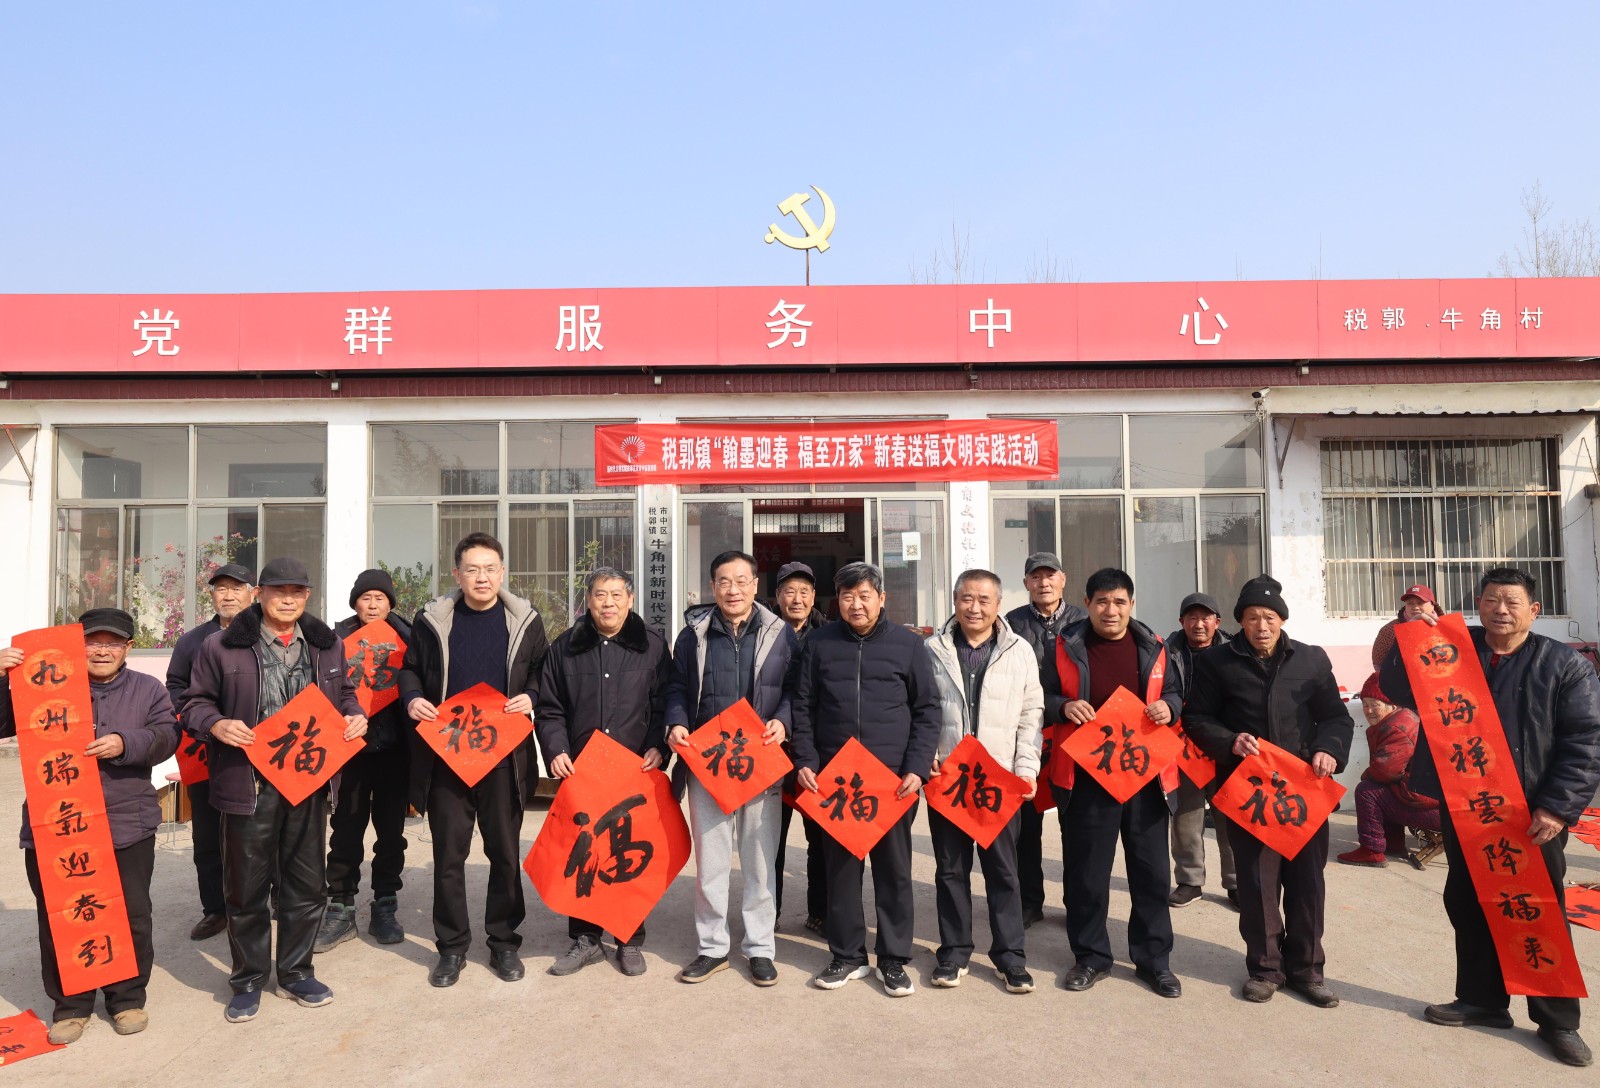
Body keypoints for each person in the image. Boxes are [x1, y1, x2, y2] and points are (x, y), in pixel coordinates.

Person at [1380, 567, 1600, 1068]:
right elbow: (1397, 687)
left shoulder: (1564, 665)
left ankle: (1557, 1021)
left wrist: (1558, 806)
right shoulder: (1451, 650)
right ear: (1477, 604)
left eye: (1512, 601)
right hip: (1468, 805)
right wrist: (1410, 634)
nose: (1500, 609)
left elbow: (1585, 741)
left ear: (1534, 611)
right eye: (1491, 600)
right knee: (1468, 901)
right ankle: (1483, 1000)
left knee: (1537, 908)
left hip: (1531, 810)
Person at [181, 557, 368, 1024]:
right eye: (278, 591)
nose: (287, 599)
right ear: (259, 594)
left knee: (306, 884)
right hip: (250, 781)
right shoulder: (222, 645)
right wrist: (216, 724)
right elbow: (193, 702)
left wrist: (354, 714)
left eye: (297, 591)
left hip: (308, 780)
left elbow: (345, 692)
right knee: (245, 886)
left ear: (307, 596)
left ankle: (296, 972)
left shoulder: (327, 644)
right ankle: (248, 979)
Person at [0, 609, 179, 1044]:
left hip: (126, 821)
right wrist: (1, 679)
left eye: (112, 642)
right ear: (76, 645)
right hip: (56, 823)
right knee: (62, 915)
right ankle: (71, 1004)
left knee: (131, 912)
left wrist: (125, 742)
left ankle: (126, 998)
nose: (102, 650)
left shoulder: (147, 689)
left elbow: (167, 736)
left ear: (128, 648)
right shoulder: (39, 684)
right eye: (93, 641)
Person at [1183, 574, 1350, 1008]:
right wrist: (1230, 741)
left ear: (1282, 620)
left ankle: (1307, 970)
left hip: (1303, 790)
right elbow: (1197, 719)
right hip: (1250, 791)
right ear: (1240, 621)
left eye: (1270, 617)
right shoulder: (1217, 662)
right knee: (1258, 883)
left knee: (1307, 883)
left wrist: (1329, 750)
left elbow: (1336, 717)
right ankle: (1265, 969)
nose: (1262, 626)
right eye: (1253, 617)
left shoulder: (1311, 659)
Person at [398, 532, 548, 989]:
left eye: (490, 569)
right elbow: (410, 668)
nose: (482, 577)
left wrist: (532, 696)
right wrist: (412, 698)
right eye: (472, 569)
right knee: (449, 855)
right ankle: (452, 947)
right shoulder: (433, 620)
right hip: (449, 754)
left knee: (504, 852)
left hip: (503, 756)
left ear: (502, 573)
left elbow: (542, 671)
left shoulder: (525, 620)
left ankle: (504, 942)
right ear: (457, 574)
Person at [791, 562, 940, 997]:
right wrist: (806, 758)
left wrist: (916, 767)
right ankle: (847, 955)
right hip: (837, 779)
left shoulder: (908, 646)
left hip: (891, 780)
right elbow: (803, 706)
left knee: (894, 871)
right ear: (836, 600)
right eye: (846, 596)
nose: (855, 604)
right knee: (840, 870)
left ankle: (893, 959)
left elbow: (927, 709)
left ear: (881, 598)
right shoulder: (820, 643)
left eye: (864, 596)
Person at [666, 550, 798, 986]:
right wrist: (677, 722)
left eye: (742, 580)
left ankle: (760, 948)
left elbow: (796, 688)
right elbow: (677, 687)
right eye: (724, 581)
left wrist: (784, 720)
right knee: (712, 862)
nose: (733, 589)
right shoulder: (693, 635)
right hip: (709, 762)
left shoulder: (780, 633)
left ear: (756, 585)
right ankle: (712, 947)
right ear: (712, 587)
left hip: (760, 761)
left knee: (760, 861)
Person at [536, 567, 672, 977]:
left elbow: (664, 703)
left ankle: (629, 937)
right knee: (585, 852)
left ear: (630, 599)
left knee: (627, 853)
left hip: (633, 770)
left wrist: (659, 744)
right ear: (588, 600)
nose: (608, 602)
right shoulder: (564, 648)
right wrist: (557, 750)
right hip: (584, 771)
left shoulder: (652, 646)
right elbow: (550, 708)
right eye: (600, 594)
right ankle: (586, 938)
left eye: (616, 594)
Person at [1055, 568, 1184, 999]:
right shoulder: (1064, 647)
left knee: (1151, 875)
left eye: (1119, 602)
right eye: (1102, 602)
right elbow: (1040, 696)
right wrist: (1064, 706)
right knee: (1087, 875)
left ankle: (1154, 961)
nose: (1110, 610)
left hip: (1145, 779)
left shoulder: (1155, 647)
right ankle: (1090, 957)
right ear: (1087, 604)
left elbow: (1176, 693)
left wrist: (1169, 708)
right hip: (1087, 779)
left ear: (1132, 604)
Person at [925, 569, 1043, 994]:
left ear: (998, 605)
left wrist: (1026, 768)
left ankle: (1010, 957)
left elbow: (1031, 713)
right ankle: (954, 953)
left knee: (1004, 872)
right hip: (949, 780)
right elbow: (921, 709)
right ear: (955, 601)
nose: (974, 608)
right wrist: (926, 755)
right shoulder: (932, 649)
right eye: (967, 599)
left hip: (998, 779)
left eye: (984, 600)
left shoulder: (1019, 650)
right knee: (950, 870)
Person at [317, 569, 414, 951]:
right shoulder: (334, 639)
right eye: (365, 598)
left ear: (390, 603)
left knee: (391, 835)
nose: (372, 605)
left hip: (395, 751)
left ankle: (385, 905)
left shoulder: (408, 636)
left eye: (380, 598)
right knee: (345, 830)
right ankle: (340, 907)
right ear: (354, 602)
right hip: (350, 751)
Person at [165, 562, 255, 942]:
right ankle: (216, 909)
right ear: (213, 595)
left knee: (265, 831)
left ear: (253, 593)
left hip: (259, 750)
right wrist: (207, 720)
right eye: (221, 589)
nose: (228, 595)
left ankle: (272, 899)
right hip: (206, 749)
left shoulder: (268, 635)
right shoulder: (192, 641)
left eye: (236, 588)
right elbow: (175, 687)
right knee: (207, 834)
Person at [1004, 551, 1085, 928]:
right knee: (1026, 824)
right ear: (1026, 583)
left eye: (1050, 575)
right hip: (1027, 733)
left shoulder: (1083, 621)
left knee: (1076, 824)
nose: (1043, 583)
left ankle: (1077, 903)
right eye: (1035, 577)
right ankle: (1029, 901)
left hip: (1073, 734)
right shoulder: (1011, 623)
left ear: (1063, 579)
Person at [1165, 591, 1237, 910]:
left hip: (1224, 744)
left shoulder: (1235, 651)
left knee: (1230, 816)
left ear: (1217, 622)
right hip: (1183, 746)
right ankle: (1190, 881)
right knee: (1186, 816)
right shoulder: (1166, 652)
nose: (1198, 624)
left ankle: (1237, 882)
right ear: (1181, 621)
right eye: (1191, 617)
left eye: (1205, 617)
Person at [770, 561, 829, 934]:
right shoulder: (764, 632)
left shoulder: (829, 635)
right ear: (777, 596)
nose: (797, 598)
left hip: (815, 752)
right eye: (789, 591)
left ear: (814, 596)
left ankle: (819, 912)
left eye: (804, 591)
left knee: (820, 839)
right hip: (770, 750)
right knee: (770, 840)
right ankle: (768, 914)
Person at [1335, 673, 1438, 868]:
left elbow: (1386, 771)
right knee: (1386, 788)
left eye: (1375, 704)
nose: (1369, 711)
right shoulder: (1401, 718)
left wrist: (1366, 775)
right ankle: (1393, 844)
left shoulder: (1397, 727)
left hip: (1432, 810)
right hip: (1427, 800)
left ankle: (1372, 850)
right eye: (1365, 704)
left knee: (1367, 791)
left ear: (1391, 705)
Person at [1369, 583, 1440, 669]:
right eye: (1410, 603)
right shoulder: (1389, 630)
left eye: (1420, 603)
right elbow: (1378, 664)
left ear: (1432, 605)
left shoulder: (1445, 627)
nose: (1415, 607)